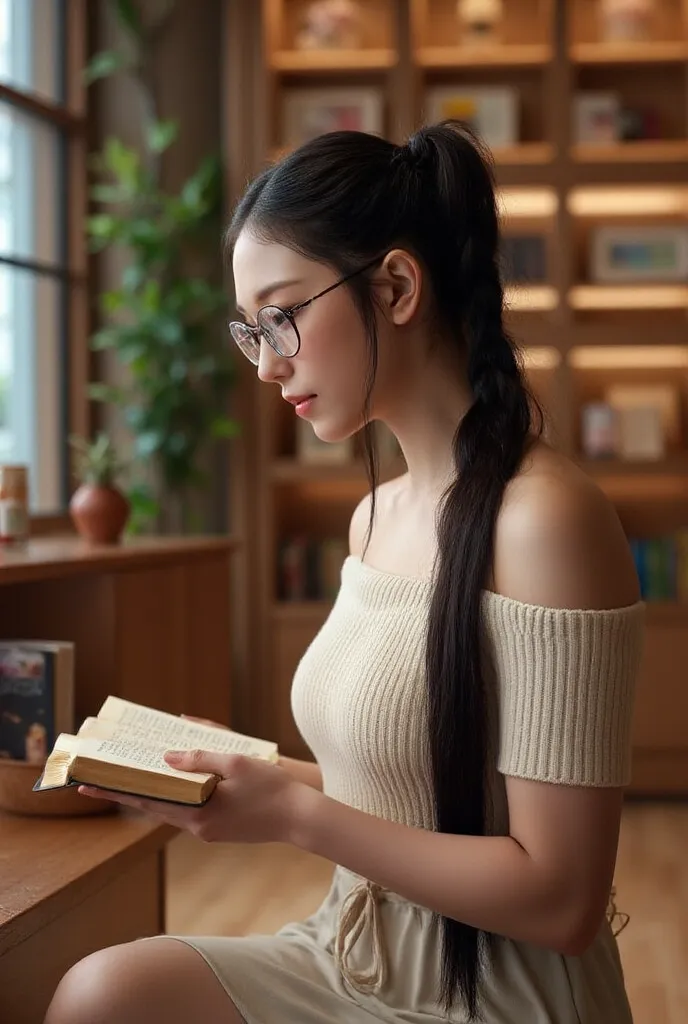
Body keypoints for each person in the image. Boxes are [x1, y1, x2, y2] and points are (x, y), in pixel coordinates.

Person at [45, 121, 645, 1024]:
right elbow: (410, 787)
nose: (266, 363)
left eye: (282, 315)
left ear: (398, 286)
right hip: (350, 948)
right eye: (250, 330)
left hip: (491, 990)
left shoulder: (545, 521)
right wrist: (243, 772)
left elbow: (559, 902)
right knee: (104, 992)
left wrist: (289, 816)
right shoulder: (373, 518)